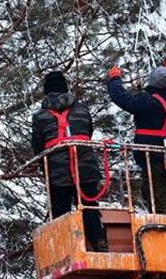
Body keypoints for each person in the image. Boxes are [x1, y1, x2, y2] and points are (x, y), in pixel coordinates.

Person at [31, 71, 108, 252]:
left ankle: (65, 249)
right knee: (89, 208)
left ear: (46, 90)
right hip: (85, 167)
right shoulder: (81, 109)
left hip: (57, 171)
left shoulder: (40, 116)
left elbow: (37, 145)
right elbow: (88, 131)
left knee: (61, 213)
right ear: (65, 87)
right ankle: (99, 243)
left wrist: (46, 167)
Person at [107, 58, 166, 214]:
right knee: (153, 188)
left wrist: (115, 78)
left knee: (156, 191)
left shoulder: (147, 100)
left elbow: (121, 97)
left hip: (150, 154)